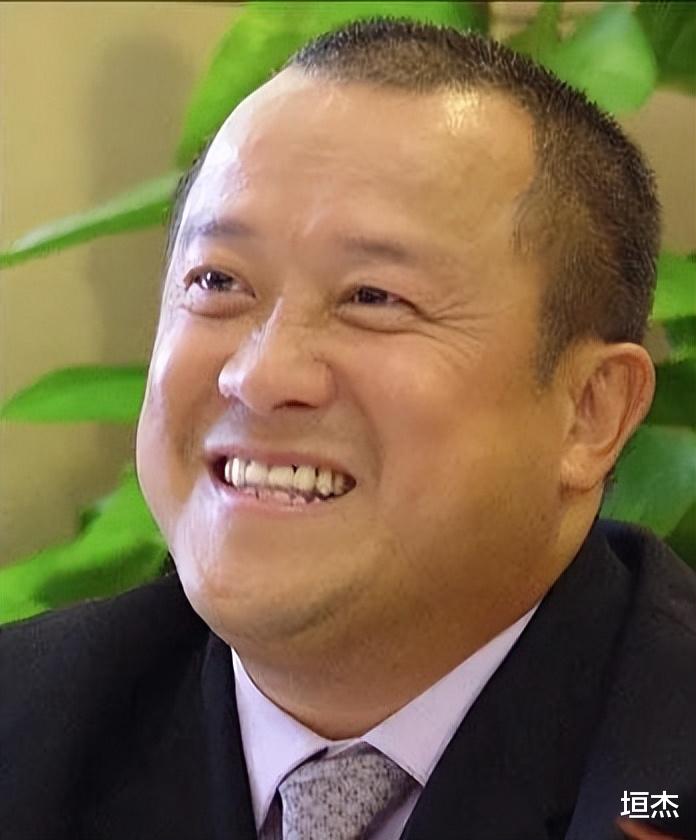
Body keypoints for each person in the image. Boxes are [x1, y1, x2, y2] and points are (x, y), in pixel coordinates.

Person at [1, 17, 695, 840]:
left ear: (590, 412)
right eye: (217, 281)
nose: (260, 376)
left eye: (373, 298)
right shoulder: (28, 721)